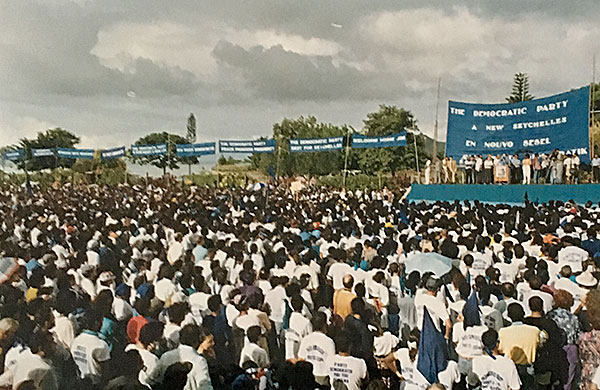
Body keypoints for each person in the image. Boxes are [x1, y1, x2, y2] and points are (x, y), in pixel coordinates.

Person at [148, 324, 213, 390]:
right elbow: (205, 386)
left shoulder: (166, 356)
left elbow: (152, 379)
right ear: (197, 340)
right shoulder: (199, 360)